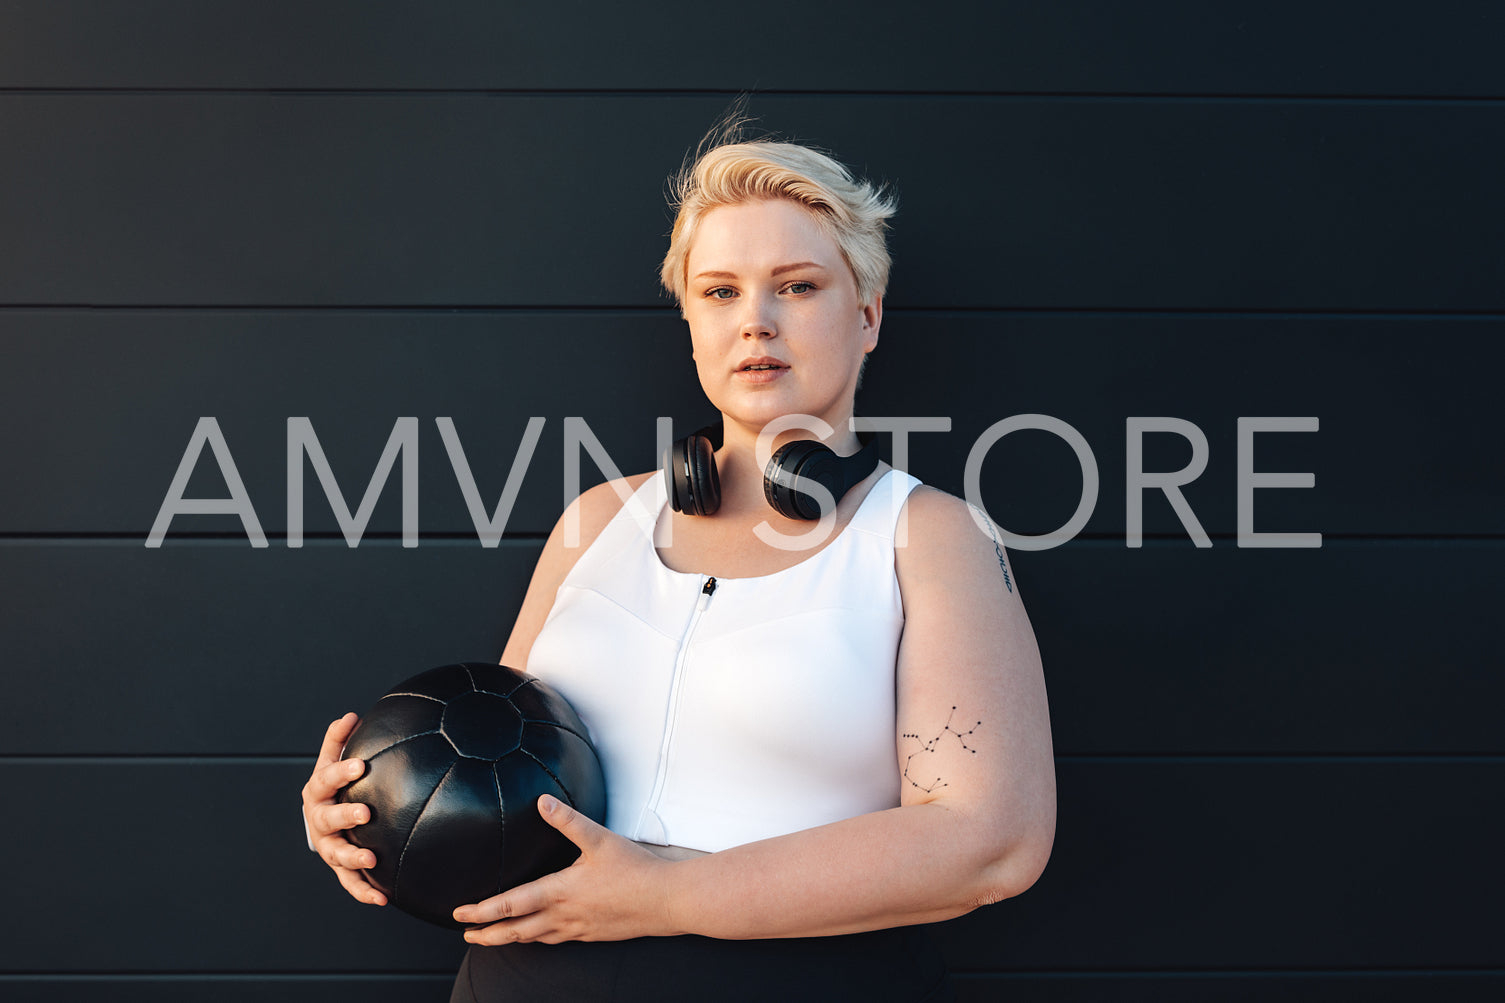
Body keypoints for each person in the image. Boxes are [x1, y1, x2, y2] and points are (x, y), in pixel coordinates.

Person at [301, 121, 1056, 1001]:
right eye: (720, 290)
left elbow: (990, 840)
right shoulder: (595, 520)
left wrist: (671, 893)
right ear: (691, 319)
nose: (755, 322)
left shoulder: (927, 535)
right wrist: (376, 804)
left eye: (797, 286)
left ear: (867, 314)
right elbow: (500, 766)